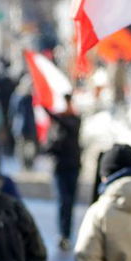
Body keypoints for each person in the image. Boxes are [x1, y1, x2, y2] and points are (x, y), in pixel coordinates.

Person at [45, 94, 83, 251]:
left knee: (69, 202)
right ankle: (63, 234)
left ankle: (67, 233)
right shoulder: (56, 127)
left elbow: (68, 125)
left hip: (72, 167)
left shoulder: (74, 120)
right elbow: (50, 147)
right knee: (63, 201)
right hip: (60, 168)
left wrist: (48, 111)